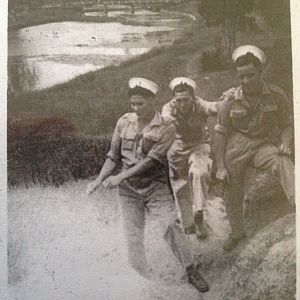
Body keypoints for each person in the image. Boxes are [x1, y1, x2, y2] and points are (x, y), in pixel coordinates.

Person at [86, 77, 209, 293]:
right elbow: (113, 156)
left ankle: (190, 270)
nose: (136, 109)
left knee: (170, 224)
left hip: (155, 186)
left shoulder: (167, 127)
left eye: (140, 104)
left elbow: (151, 161)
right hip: (129, 192)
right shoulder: (124, 122)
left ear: (153, 102)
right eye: (133, 104)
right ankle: (142, 281)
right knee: (133, 236)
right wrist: (98, 180)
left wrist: (119, 178)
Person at [214, 45, 295, 251]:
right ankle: (236, 233)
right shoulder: (230, 101)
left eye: (250, 75)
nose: (246, 81)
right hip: (236, 147)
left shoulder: (276, 95)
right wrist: (221, 166)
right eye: (241, 77)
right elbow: (220, 133)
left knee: (282, 162)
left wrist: (285, 142)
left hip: (262, 145)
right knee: (230, 185)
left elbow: (287, 123)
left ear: (261, 72)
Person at [161, 77, 221, 239]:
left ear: (193, 98)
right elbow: (164, 115)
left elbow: (213, 107)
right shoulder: (169, 108)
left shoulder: (200, 104)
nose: (182, 104)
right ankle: (188, 224)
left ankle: (199, 215)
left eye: (186, 100)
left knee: (199, 172)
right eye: (178, 100)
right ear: (174, 99)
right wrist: (166, 119)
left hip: (199, 145)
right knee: (180, 186)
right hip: (178, 149)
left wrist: (226, 100)